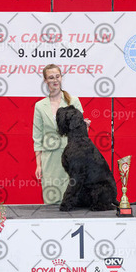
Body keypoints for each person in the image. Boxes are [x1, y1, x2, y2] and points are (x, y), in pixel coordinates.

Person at [33, 64, 90, 204]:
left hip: (71, 158)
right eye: (51, 77)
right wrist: (38, 165)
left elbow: (82, 133)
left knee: (71, 200)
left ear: (61, 77)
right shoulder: (39, 106)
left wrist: (86, 126)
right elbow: (37, 136)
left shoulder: (74, 101)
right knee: (51, 200)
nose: (55, 80)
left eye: (57, 76)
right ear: (45, 80)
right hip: (50, 160)